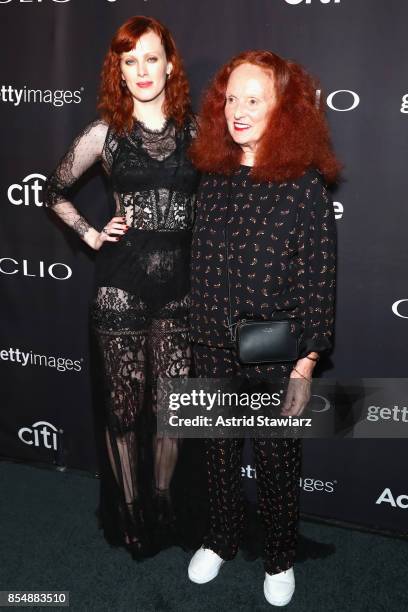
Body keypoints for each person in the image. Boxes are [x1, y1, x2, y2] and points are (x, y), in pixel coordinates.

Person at [187, 51, 339, 606]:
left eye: (255, 99)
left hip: (275, 350)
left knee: (277, 456)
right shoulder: (214, 177)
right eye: (232, 98)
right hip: (209, 341)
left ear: (285, 111)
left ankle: (278, 556)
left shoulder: (304, 188)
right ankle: (222, 538)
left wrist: (306, 364)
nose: (240, 110)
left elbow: (319, 283)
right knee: (219, 449)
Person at [44, 16, 199, 559]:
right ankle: (130, 511)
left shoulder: (198, 131)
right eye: (129, 61)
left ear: (170, 63)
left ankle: (162, 501)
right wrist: (90, 233)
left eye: (151, 58)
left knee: (174, 409)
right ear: (119, 69)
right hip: (121, 287)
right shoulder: (104, 133)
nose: (141, 71)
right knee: (125, 410)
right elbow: (55, 189)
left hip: (180, 288)